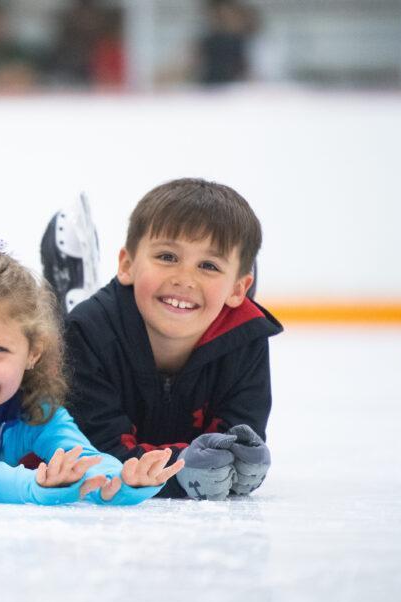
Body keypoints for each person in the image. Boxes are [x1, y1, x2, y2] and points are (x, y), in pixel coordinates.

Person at [0, 246, 184, 505]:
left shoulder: (34, 409)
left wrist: (123, 481)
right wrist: (34, 487)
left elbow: (84, 458)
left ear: (33, 353)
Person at [63, 178, 283, 501]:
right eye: (167, 257)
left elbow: (238, 447)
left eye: (208, 265)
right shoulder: (87, 333)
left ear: (239, 289)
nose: (184, 279)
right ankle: (67, 295)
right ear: (127, 264)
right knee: (56, 340)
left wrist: (238, 462)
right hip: (95, 326)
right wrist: (185, 471)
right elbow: (99, 454)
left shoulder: (247, 337)